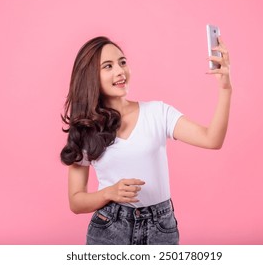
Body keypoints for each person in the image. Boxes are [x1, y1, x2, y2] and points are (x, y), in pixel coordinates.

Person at [60, 36, 232, 245]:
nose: (120, 71)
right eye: (108, 66)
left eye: (122, 62)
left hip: (160, 226)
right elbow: (76, 201)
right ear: (91, 77)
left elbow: (212, 139)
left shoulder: (158, 112)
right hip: (109, 228)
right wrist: (109, 192)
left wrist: (225, 89)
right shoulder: (85, 129)